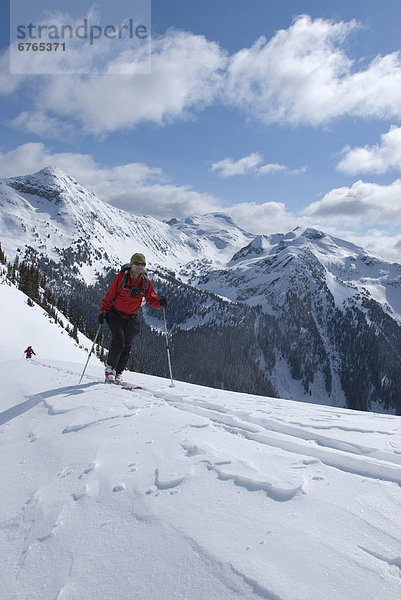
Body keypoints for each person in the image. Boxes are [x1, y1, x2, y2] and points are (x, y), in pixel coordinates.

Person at [99, 253, 167, 384]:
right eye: (137, 264)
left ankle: (118, 372)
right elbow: (110, 295)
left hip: (131, 318)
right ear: (131, 264)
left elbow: (151, 298)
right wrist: (103, 311)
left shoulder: (145, 282)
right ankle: (109, 370)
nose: (140, 266)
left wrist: (160, 304)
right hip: (115, 315)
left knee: (127, 346)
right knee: (119, 341)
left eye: (143, 264)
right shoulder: (121, 278)